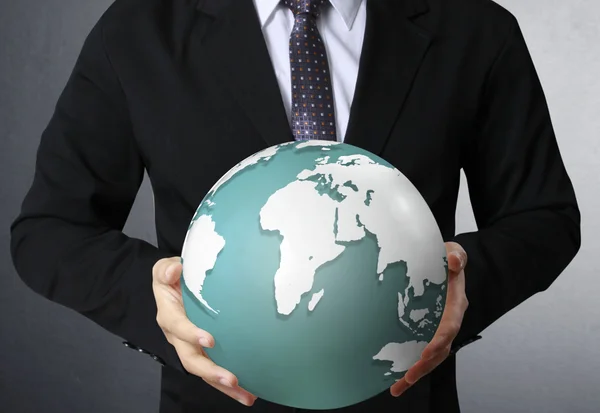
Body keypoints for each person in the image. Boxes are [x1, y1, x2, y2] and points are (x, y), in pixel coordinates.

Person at [9, 0, 581, 411]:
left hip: (403, 396)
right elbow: (52, 230)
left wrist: (461, 283)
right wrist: (159, 302)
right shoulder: (138, 31)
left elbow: (544, 217)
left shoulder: (475, 29)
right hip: (219, 398)